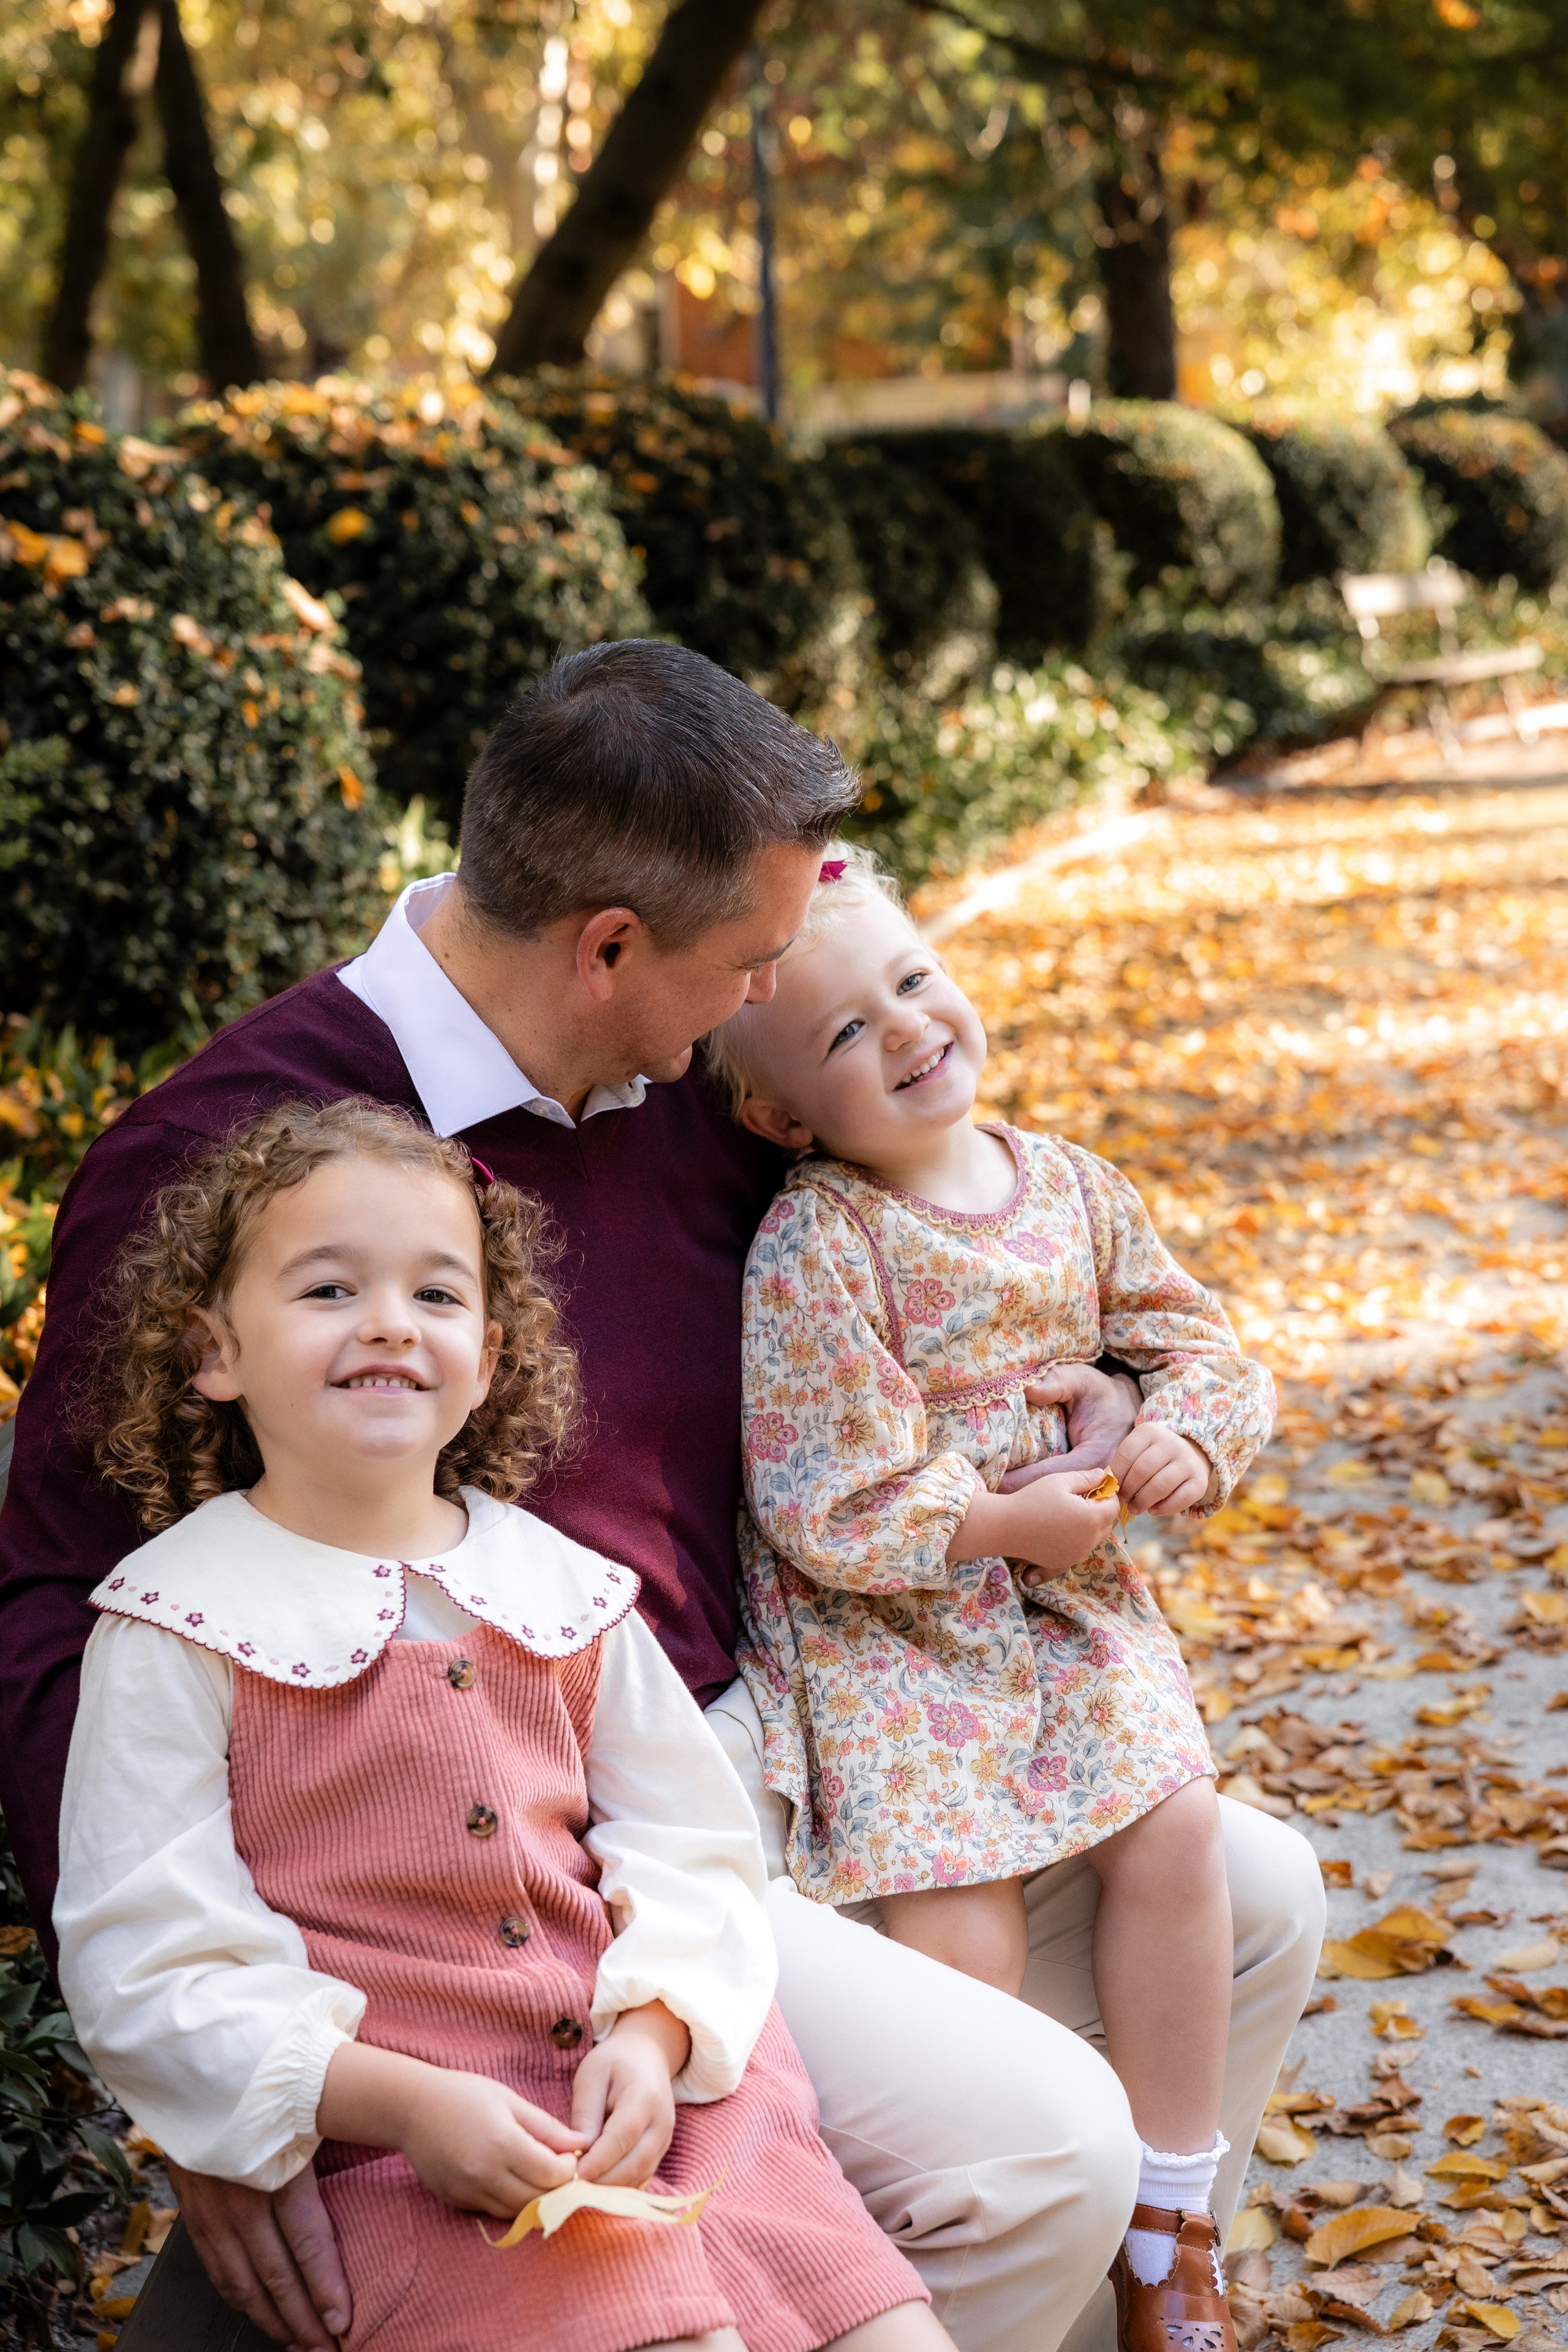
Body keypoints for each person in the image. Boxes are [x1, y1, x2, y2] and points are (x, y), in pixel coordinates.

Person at [0, 641, 1324, 2352]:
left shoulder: (692, 1098)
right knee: (1038, 2153)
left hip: (814, 1745)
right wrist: (220, 2098)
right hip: (554, 1847)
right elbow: (59, 1616)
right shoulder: (258, 1167)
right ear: (609, 946)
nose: (761, 995)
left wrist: (1123, 1393)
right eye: (748, 962)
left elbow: (953, 1254)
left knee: (1257, 1903)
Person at [56, 1098, 943, 2352]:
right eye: (325, 1290)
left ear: (486, 1356)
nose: (385, 1323)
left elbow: (692, 1842)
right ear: (214, 1349)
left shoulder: (561, 1589)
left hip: (660, 2106)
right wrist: (406, 2107)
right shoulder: (173, 1628)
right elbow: (151, 1968)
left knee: (886, 2335)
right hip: (413, 2159)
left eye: (435, 1294)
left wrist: (651, 2033)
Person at [707, 846, 1280, 2352]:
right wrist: (993, 1518)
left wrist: (1177, 1434)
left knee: (1174, 1824)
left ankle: (1166, 2220)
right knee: (958, 1950)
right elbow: (817, 1489)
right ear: (779, 1116)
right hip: (895, 1640)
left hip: (1069, 1616)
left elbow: (1205, 1353)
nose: (902, 1027)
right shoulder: (819, 1241)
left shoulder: (1074, 1188)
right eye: (843, 1032)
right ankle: (1030, 2218)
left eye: (910, 980)